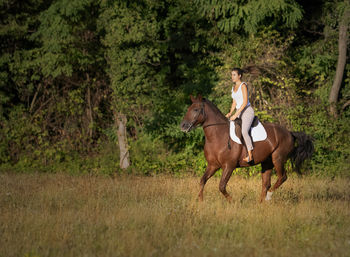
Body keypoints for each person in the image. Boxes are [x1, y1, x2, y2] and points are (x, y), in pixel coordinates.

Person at [225, 68, 255, 164]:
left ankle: (250, 155)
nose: (232, 77)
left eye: (234, 75)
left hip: (247, 111)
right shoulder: (233, 88)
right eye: (231, 75)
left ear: (239, 76)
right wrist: (230, 113)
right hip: (238, 112)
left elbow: (245, 102)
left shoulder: (243, 86)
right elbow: (234, 103)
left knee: (244, 131)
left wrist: (235, 115)